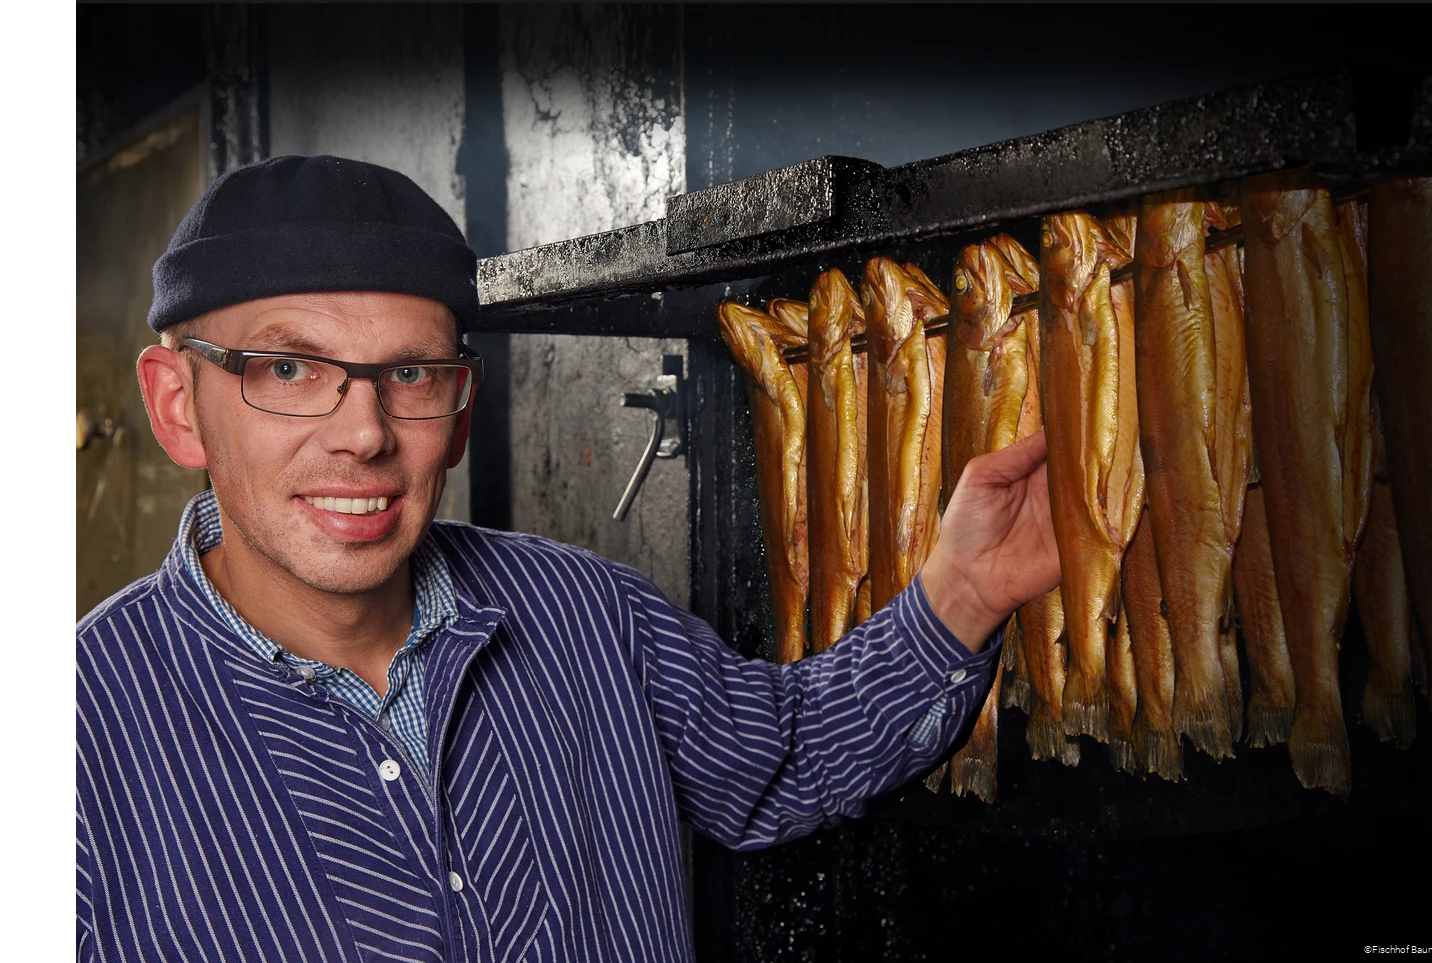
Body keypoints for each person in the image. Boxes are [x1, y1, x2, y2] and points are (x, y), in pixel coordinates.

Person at [72, 155, 1060, 961]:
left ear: (461, 407)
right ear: (175, 405)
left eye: (410, 372)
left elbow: (781, 758)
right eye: (289, 370)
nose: (363, 435)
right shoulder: (91, 732)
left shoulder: (588, 611)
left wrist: (962, 590)